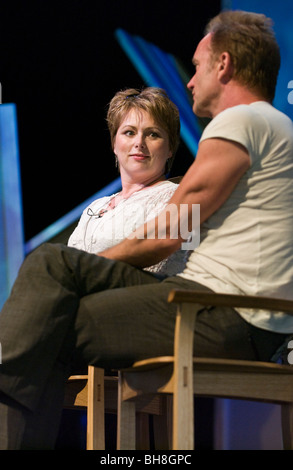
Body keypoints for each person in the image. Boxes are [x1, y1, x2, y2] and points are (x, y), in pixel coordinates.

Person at [1, 10, 293, 450]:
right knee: (46, 287)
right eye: (129, 133)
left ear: (225, 65)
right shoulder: (268, 127)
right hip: (220, 309)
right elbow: (182, 225)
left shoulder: (243, 122)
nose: (191, 81)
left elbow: (169, 235)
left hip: (217, 313)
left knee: (45, 310)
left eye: (196, 67)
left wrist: (82, 269)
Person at [67, 86, 186, 276]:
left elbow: (172, 267)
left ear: (170, 147)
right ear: (114, 143)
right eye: (129, 132)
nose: (139, 142)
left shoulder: (182, 197)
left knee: (46, 259)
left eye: (153, 134)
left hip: (143, 298)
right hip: (86, 298)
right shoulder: (95, 208)